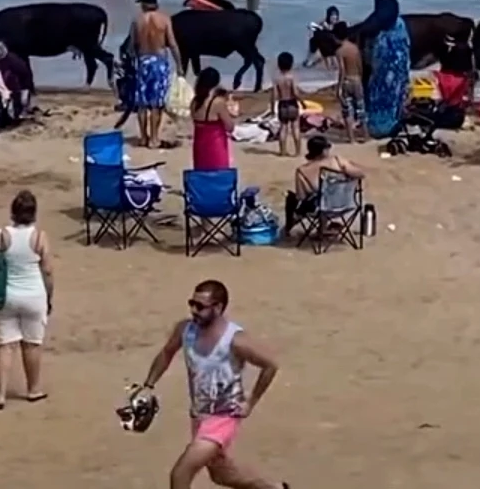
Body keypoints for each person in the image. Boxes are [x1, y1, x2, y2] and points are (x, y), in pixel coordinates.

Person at [133, 280, 288, 489]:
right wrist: (148, 385)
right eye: (192, 304)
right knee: (222, 475)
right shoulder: (185, 330)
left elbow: (270, 365)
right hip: (199, 415)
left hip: (224, 417)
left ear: (218, 308)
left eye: (200, 307)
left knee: (181, 473)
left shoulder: (235, 340)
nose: (194, 311)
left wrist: (250, 402)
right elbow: (167, 352)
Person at [0, 191, 54, 410]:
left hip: (6, 296)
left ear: (13, 211)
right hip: (33, 295)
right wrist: (49, 296)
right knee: (32, 345)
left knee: (6, 345)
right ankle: (33, 389)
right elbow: (48, 271)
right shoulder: (40, 237)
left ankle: (0, 395)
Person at [130, 0, 183, 149]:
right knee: (156, 104)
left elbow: (132, 46)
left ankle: (143, 137)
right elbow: (172, 43)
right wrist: (179, 65)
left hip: (143, 62)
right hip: (159, 62)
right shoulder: (164, 19)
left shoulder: (137, 21)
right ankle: (154, 138)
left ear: (144, 4)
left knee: (142, 103)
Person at [285, 134, 364, 235]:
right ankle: (322, 230)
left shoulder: (302, 171)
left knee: (296, 199)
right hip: (347, 203)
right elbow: (360, 174)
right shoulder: (337, 161)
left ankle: (291, 224)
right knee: (326, 194)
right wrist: (344, 173)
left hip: (322, 208)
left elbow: (301, 196)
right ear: (323, 150)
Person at [359, 0, 410, 139]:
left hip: (383, 73)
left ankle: (380, 128)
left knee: (379, 98)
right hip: (397, 72)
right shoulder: (400, 25)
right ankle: (392, 124)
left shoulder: (377, 28)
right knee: (395, 98)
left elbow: (373, 54)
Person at [191, 67, 235, 172]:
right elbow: (230, 127)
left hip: (199, 144)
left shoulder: (195, 102)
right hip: (215, 144)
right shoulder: (217, 102)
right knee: (219, 175)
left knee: (202, 174)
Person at [333, 27, 365, 144]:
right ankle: (365, 135)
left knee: (347, 110)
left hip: (347, 81)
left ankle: (352, 139)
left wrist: (338, 87)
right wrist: (360, 78)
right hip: (357, 79)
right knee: (361, 109)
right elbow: (360, 65)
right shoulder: (355, 48)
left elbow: (342, 70)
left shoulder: (339, 51)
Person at [267, 52, 302, 158]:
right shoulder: (291, 77)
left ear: (278, 64)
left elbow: (274, 95)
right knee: (295, 127)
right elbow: (295, 93)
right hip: (292, 103)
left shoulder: (276, 79)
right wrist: (303, 102)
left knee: (283, 128)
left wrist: (272, 108)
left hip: (282, 104)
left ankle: (282, 151)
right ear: (291, 64)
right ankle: (297, 152)